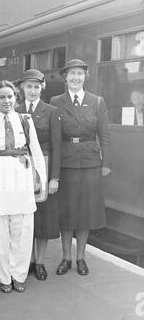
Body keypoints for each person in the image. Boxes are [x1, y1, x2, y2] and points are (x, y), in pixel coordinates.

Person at [0, 80, 47, 293]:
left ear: (16, 98)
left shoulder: (25, 120)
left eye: (10, 97)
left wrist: (41, 181)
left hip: (21, 178)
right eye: (2, 97)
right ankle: (5, 277)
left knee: (22, 229)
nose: (6, 101)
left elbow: (35, 150)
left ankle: (19, 275)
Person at [50, 59, 112, 276]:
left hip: (90, 163)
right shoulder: (56, 101)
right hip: (66, 161)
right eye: (71, 74)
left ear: (86, 77)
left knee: (84, 212)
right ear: (65, 77)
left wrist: (106, 164)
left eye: (80, 73)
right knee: (66, 211)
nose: (75, 77)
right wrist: (53, 171)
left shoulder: (97, 101)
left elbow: (104, 135)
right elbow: (54, 138)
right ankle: (66, 257)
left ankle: (81, 258)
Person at [17, 69, 62, 280]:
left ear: (41, 88)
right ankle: (26, 261)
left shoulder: (51, 111)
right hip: (20, 169)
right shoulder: (14, 111)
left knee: (42, 217)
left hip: (43, 168)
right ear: (22, 88)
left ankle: (40, 261)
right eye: (29, 86)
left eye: (36, 87)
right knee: (24, 217)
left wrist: (54, 177)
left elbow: (57, 147)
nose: (33, 91)